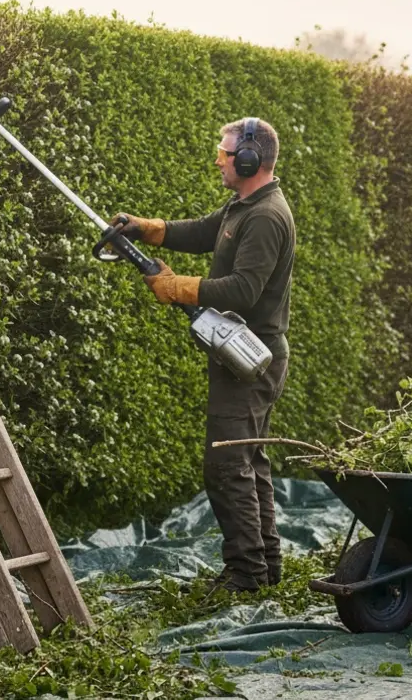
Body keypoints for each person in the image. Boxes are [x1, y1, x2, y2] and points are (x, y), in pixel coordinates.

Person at [114, 117, 295, 592]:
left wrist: (176, 288)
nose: (218, 158)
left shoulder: (266, 216)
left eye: (225, 151)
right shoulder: (244, 206)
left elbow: (243, 291)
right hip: (244, 354)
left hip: (252, 359)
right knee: (248, 461)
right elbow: (203, 232)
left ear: (251, 159)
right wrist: (148, 229)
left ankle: (246, 574)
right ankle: (266, 567)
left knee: (226, 463)